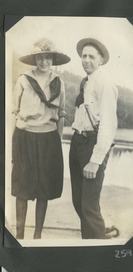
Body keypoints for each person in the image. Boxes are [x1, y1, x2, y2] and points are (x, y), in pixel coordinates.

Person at [12, 38, 70, 239]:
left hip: (48, 139)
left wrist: (58, 140)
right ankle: (19, 236)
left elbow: (62, 113)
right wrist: (15, 145)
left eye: (48, 57)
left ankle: (37, 236)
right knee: (22, 187)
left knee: (44, 187)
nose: (44, 61)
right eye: (40, 57)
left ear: (53, 60)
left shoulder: (59, 82)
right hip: (25, 136)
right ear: (34, 59)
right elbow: (15, 111)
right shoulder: (23, 79)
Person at [69, 38, 118, 239]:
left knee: (88, 206)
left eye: (91, 57)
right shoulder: (85, 83)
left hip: (93, 144)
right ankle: (91, 238)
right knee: (79, 202)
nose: (86, 60)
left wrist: (95, 160)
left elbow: (108, 125)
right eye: (84, 56)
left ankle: (98, 246)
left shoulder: (105, 84)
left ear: (100, 61)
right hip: (78, 141)